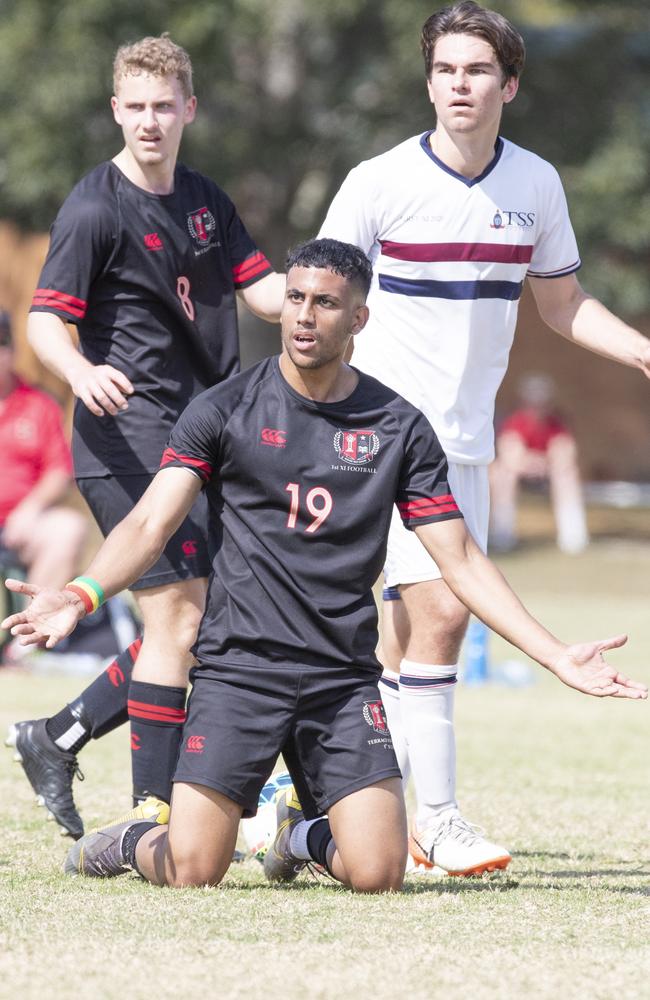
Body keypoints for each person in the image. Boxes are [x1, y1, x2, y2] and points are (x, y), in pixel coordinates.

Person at [2, 239, 646, 893]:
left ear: (359, 319)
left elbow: (462, 560)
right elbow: (148, 523)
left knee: (379, 873)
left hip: (341, 682)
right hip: (239, 674)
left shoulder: (398, 427)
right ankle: (134, 839)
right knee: (197, 869)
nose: (306, 316)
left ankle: (296, 837)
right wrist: (80, 596)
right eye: (296, 299)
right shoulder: (224, 408)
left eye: (327, 303)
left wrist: (556, 655)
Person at [318, 0, 650, 876]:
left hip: (464, 442)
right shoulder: (377, 181)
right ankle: (437, 819)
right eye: (443, 70)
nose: (458, 85)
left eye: (475, 70)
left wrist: (642, 353)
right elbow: (315, 299)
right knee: (441, 616)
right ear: (429, 82)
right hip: (370, 436)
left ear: (508, 83)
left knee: (404, 638)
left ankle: (352, 806)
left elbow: (563, 303)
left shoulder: (534, 184)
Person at [5, 34, 285, 840]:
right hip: (124, 435)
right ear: (116, 111)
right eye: (136, 108)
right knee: (181, 624)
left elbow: (263, 291)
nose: (151, 122)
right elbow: (48, 321)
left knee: (219, 624)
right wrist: (80, 371)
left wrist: (322, 293)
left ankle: (55, 735)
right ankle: (152, 817)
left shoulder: (205, 197)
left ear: (189, 109)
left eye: (165, 106)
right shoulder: (95, 205)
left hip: (207, 434)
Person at [0, 309, 87, 597]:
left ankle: (28, 636)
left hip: (21, 524)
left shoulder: (39, 405)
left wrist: (30, 509)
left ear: (11, 351)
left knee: (68, 529)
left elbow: (59, 472)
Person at [490, 373, 590, 554]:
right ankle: (502, 534)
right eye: (532, 401)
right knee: (502, 474)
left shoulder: (556, 424)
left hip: (549, 473)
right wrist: (532, 462)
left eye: (541, 401)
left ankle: (573, 537)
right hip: (521, 473)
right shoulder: (515, 422)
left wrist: (543, 463)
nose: (537, 406)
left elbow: (564, 453)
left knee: (567, 475)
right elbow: (510, 455)